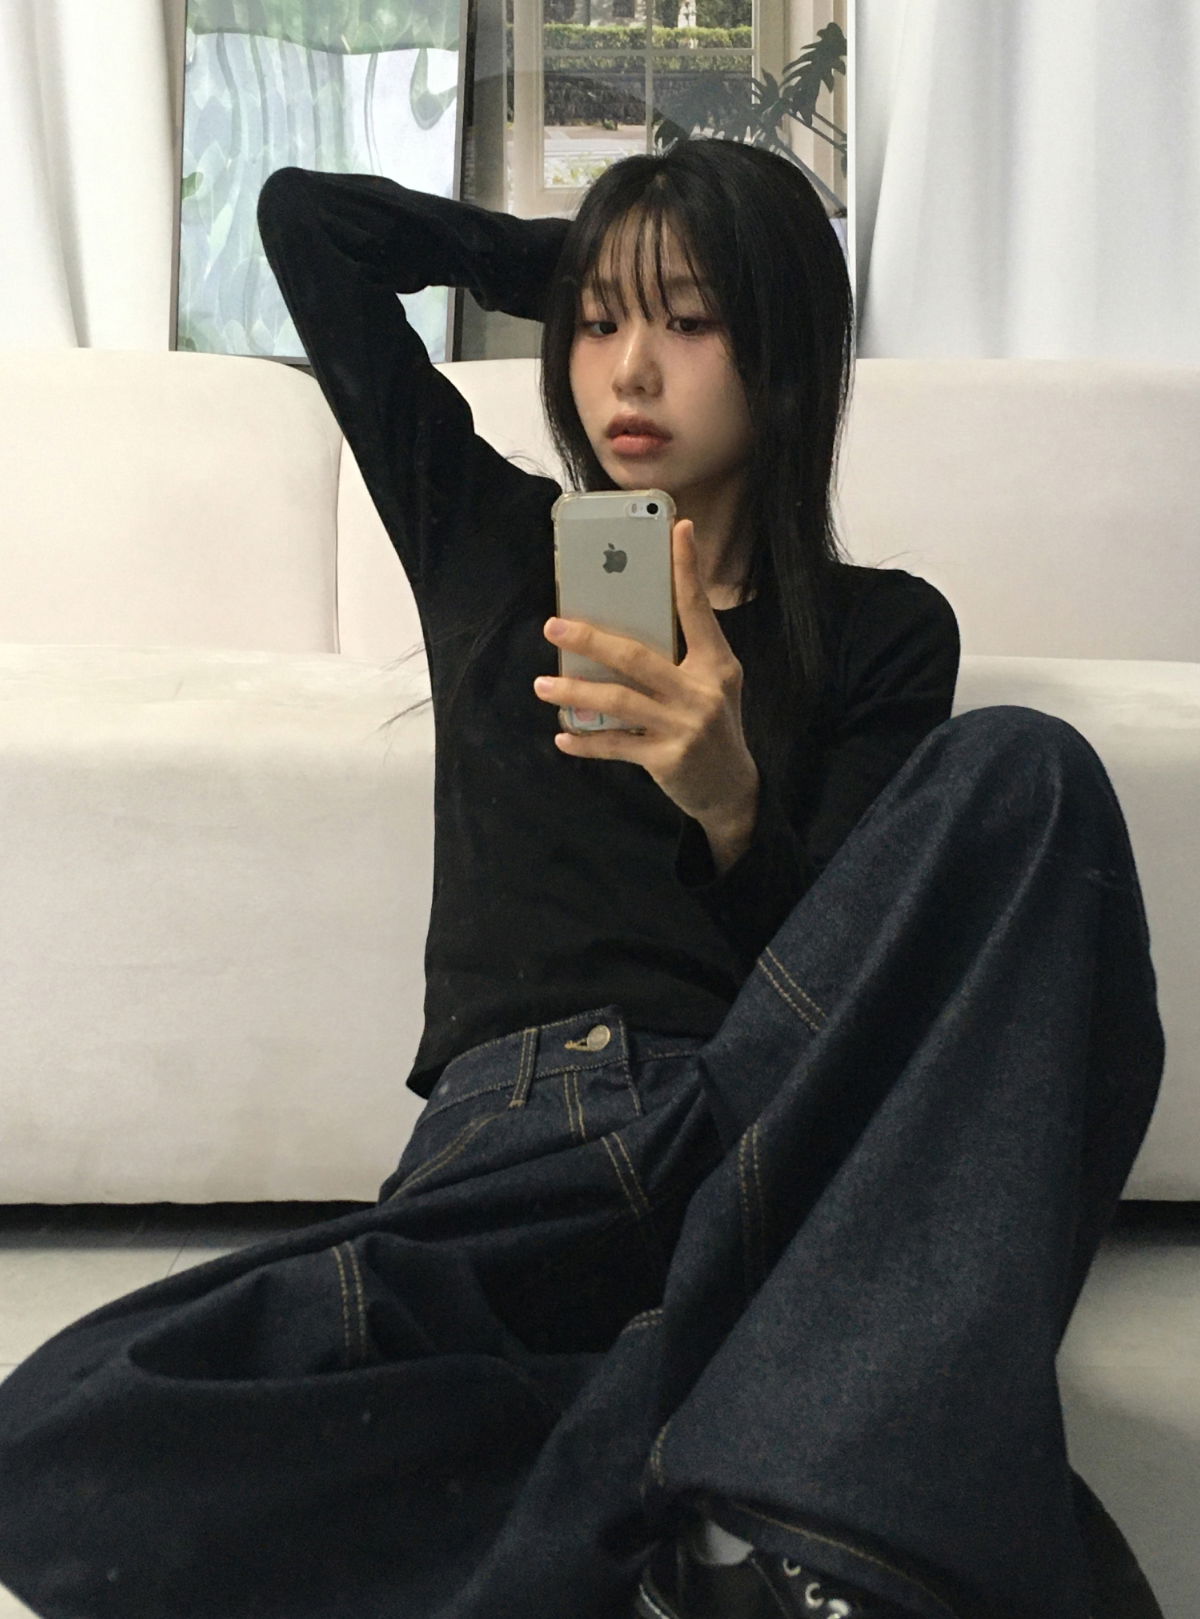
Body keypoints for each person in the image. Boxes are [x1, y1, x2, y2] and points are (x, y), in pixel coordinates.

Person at [0, 140, 1166, 1619]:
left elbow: (876, 985)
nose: (629, 370)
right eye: (601, 324)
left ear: (784, 359)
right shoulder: (488, 543)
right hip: (518, 1153)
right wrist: (589, 256)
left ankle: (666, 1461)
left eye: (691, 321)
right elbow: (309, 226)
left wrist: (731, 802)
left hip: (757, 1117)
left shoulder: (880, 632)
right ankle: (724, 1461)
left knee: (1027, 769)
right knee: (62, 1427)